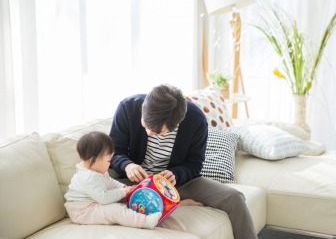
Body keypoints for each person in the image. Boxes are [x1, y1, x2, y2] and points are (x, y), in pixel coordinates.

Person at [109, 84, 258, 239]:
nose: (149, 133)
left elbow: (195, 164)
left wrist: (177, 174)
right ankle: (174, 203)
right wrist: (127, 165)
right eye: (145, 125)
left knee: (234, 198)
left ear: (176, 124)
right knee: (95, 192)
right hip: (135, 182)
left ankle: (172, 201)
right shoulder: (127, 108)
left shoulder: (196, 120)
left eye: (158, 132)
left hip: (176, 184)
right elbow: (113, 153)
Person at [64, 131, 161, 229]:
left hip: (93, 203)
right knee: (115, 210)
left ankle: (140, 214)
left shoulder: (94, 168)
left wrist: (122, 187)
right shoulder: (89, 177)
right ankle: (145, 222)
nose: (110, 164)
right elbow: (104, 198)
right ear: (93, 160)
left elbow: (109, 181)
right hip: (83, 211)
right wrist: (123, 192)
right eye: (108, 161)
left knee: (119, 203)